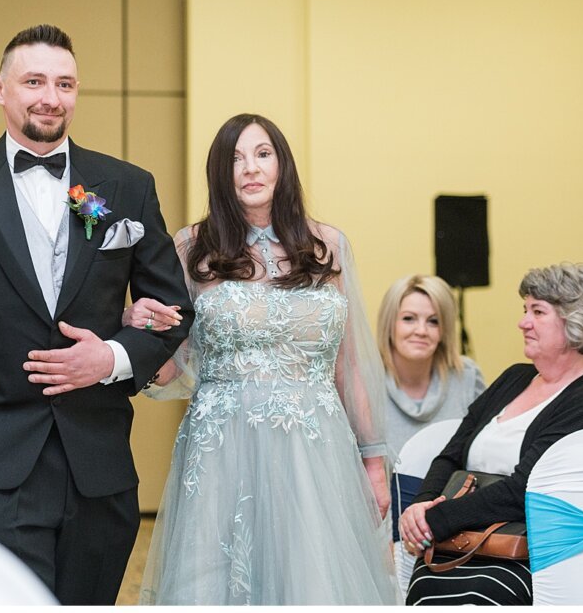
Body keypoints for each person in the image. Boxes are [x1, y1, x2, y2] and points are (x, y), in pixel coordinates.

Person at [0, 24, 193, 605]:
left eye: (65, 84)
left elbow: (173, 310)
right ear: (0, 89)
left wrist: (112, 357)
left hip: (99, 466)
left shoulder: (124, 187)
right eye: (34, 82)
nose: (50, 97)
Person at [127, 113, 399, 604]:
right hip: (222, 450)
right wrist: (135, 331)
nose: (250, 168)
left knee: (311, 577)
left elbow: (349, 364)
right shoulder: (192, 248)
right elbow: (172, 361)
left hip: (315, 450)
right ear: (220, 173)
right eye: (235, 158)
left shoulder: (328, 246)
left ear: (282, 166)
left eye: (262, 154)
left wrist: (374, 464)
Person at [400, 262, 583, 605]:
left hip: (524, 557)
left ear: (575, 322)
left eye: (537, 311)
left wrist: (435, 520)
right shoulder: (514, 377)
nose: (523, 322)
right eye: (525, 309)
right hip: (453, 543)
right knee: (425, 589)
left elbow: (524, 490)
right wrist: (421, 505)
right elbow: (451, 454)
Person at [376, 274, 485, 464]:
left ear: (445, 330)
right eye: (409, 319)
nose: (421, 331)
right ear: (389, 323)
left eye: (433, 321)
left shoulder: (467, 376)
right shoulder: (363, 381)